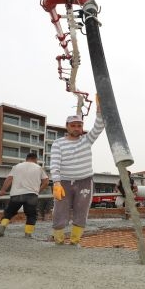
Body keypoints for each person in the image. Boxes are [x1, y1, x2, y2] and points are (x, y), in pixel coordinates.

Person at [50, 100, 105, 245]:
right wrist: (56, 182)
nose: (76, 128)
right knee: (60, 211)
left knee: (82, 211)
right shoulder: (58, 143)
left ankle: (75, 241)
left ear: (82, 127)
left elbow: (99, 126)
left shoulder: (87, 140)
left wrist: (99, 111)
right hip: (63, 183)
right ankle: (59, 240)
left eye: (79, 125)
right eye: (73, 125)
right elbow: (54, 163)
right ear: (67, 127)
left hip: (84, 181)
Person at [0, 153, 49, 238]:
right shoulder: (39, 168)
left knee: (9, 213)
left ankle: (0, 231)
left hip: (16, 194)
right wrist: (38, 191)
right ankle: (28, 234)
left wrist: (3, 190)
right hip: (31, 195)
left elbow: (9, 179)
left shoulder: (17, 166)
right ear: (35, 159)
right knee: (31, 215)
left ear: (26, 159)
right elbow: (46, 182)